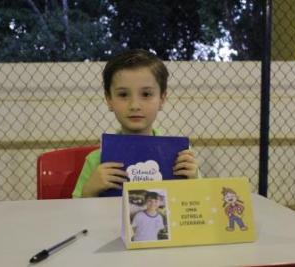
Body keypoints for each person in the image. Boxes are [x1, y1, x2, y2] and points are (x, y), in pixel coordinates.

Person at [72, 49, 200, 198]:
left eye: (146, 94)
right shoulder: (96, 160)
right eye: (123, 95)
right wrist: (89, 191)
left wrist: (194, 180)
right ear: (109, 100)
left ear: (162, 99)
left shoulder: (181, 158)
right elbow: (78, 215)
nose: (134, 105)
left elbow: (200, 207)